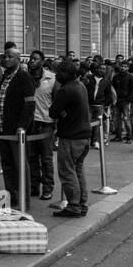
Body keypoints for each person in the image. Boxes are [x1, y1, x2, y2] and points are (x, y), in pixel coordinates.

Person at [0, 48, 36, 210]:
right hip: (2, 128)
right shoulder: (5, 76)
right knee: (8, 164)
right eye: (5, 56)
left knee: (20, 165)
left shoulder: (24, 77)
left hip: (16, 130)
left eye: (10, 57)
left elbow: (30, 104)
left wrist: (22, 126)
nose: (6, 59)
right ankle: (11, 196)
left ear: (18, 59)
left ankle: (24, 199)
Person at [50, 59, 91, 218]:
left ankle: (73, 205)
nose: (57, 75)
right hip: (84, 135)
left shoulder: (66, 89)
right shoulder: (80, 86)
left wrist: (61, 112)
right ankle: (81, 203)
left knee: (67, 171)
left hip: (71, 137)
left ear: (66, 73)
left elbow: (53, 112)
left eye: (59, 72)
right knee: (77, 170)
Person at [29, 55, 57, 201]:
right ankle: (34, 186)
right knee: (31, 157)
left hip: (46, 123)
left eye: (35, 59)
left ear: (42, 61)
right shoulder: (26, 77)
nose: (32, 61)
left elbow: (58, 101)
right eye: (31, 59)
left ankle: (47, 188)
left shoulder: (51, 78)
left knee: (46, 158)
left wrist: (56, 124)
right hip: (30, 123)